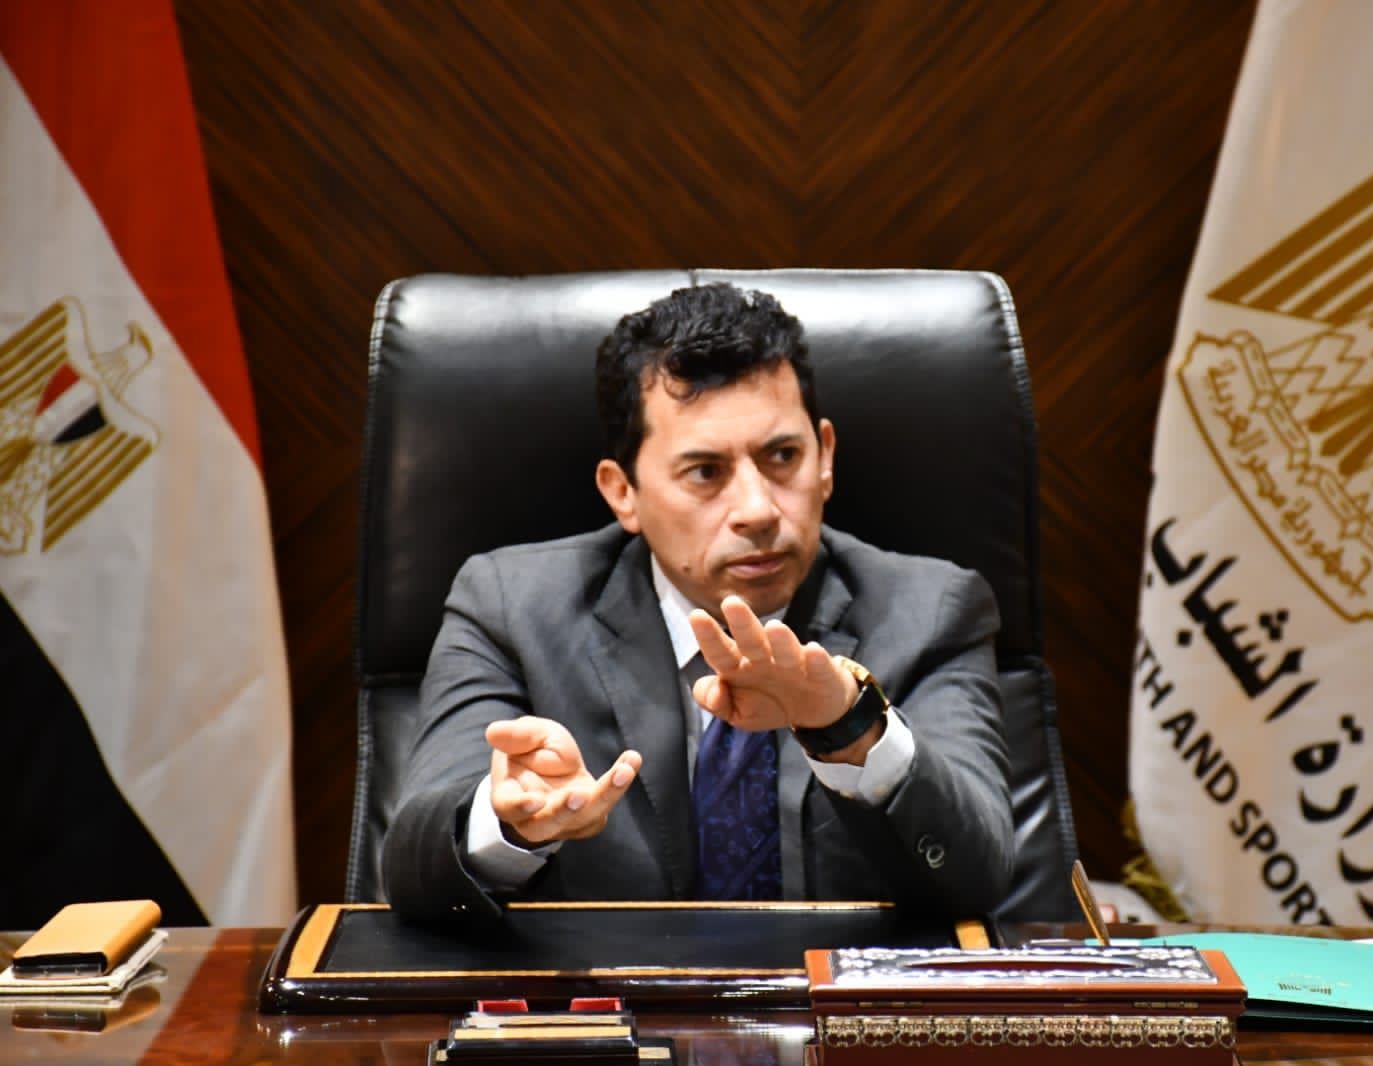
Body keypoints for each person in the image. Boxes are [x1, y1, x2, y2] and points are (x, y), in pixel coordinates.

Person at [381, 283, 1014, 924]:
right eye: (705, 472)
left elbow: (978, 875)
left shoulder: (931, 612)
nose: (758, 510)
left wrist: (848, 728)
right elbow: (411, 870)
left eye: (783, 457)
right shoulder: (511, 608)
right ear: (623, 492)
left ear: (825, 457)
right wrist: (511, 824)